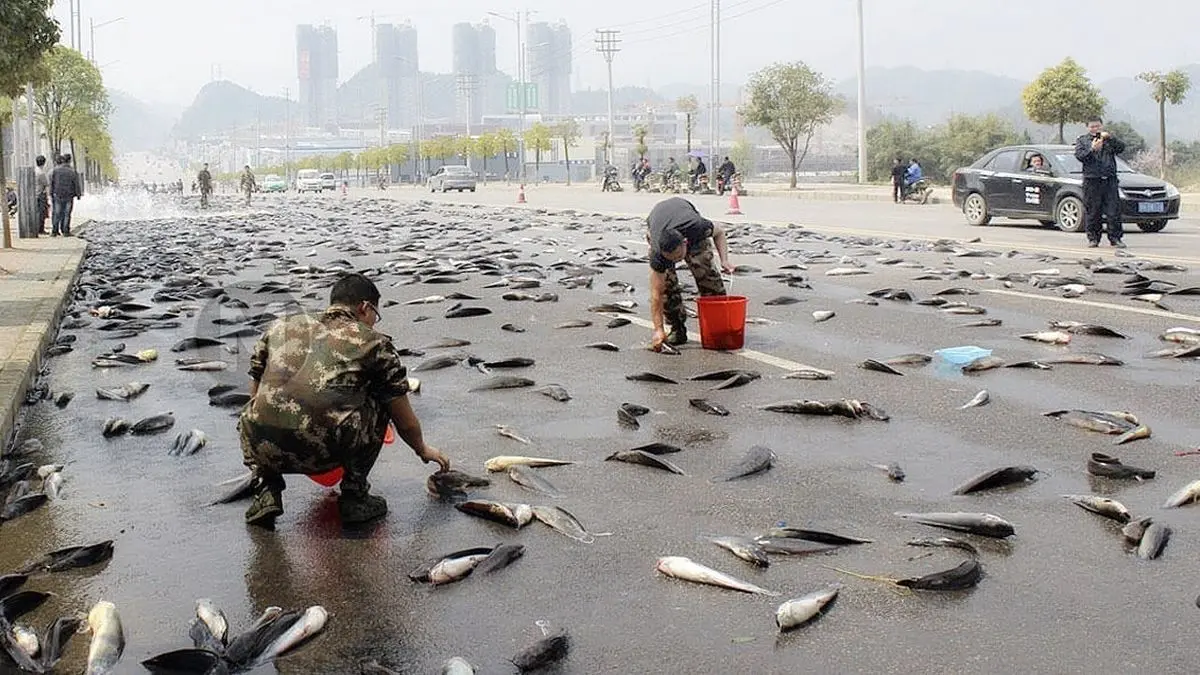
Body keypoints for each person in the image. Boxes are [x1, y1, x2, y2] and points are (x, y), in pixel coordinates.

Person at [238, 272, 452, 528]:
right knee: (382, 398)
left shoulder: (279, 327)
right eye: (375, 314)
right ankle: (355, 495)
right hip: (325, 449)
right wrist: (422, 449)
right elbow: (402, 417)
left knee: (263, 408)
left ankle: (266, 491)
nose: (373, 322)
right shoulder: (373, 342)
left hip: (262, 446)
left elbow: (256, 391)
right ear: (364, 307)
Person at [645, 197, 735, 350]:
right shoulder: (658, 253)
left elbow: (719, 232)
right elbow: (656, 294)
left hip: (686, 221)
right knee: (666, 286)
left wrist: (724, 260)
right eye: (672, 260)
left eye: (679, 257)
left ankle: (718, 329)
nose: (678, 261)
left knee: (706, 275)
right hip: (657, 222)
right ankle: (677, 328)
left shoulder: (697, 228)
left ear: (685, 243)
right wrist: (658, 329)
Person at [1074, 117, 1127, 248]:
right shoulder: (1082, 140)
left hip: (1109, 179)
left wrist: (1110, 138)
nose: (1095, 129)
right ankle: (1093, 238)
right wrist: (1092, 149)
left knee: (1113, 211)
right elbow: (1080, 157)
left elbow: (1121, 148)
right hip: (1092, 180)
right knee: (1093, 211)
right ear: (1088, 127)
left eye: (1097, 126)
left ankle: (1115, 238)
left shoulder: (1108, 139)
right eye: (1092, 126)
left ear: (1102, 126)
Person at [49, 154, 81, 237]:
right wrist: (78, 194)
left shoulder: (56, 170)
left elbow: (52, 183)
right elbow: (76, 184)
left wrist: (51, 193)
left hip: (58, 194)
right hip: (69, 195)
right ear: (70, 160)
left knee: (57, 213)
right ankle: (65, 231)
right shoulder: (72, 171)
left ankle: (54, 231)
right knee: (67, 214)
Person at [34, 155, 49, 234]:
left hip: (35, 194)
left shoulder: (34, 171)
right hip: (40, 194)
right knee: (41, 212)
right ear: (44, 163)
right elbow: (46, 183)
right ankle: (40, 229)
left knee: (36, 212)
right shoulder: (41, 173)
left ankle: (37, 228)